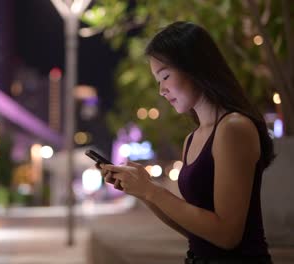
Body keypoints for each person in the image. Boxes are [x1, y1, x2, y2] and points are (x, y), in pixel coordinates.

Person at [99, 21, 274, 263]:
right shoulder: (192, 139)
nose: (161, 90)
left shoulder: (234, 128)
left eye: (165, 76)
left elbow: (227, 234)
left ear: (194, 67)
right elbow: (196, 231)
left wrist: (151, 190)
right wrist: (142, 190)